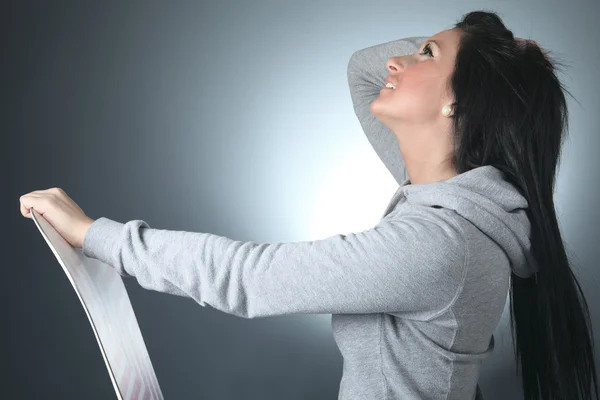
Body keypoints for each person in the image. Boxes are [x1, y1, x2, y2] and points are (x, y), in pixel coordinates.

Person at [19, 10, 598, 400]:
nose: (398, 62)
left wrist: (96, 234)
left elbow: (250, 279)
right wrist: (476, 54)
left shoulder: (443, 244)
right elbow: (365, 70)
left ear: (458, 104)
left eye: (424, 54)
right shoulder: (445, 205)